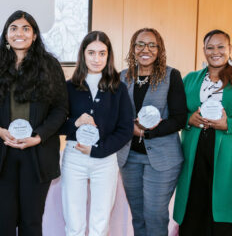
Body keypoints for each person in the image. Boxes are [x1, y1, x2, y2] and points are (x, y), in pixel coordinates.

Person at [0, 10, 68, 236]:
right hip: (2, 154)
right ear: (6, 35)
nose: (19, 33)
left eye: (25, 28)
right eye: (13, 28)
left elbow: (61, 109)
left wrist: (39, 136)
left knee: (31, 222)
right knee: (3, 221)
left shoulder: (50, 66)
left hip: (38, 154)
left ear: (35, 35)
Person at [60, 31, 133, 236]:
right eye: (91, 52)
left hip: (105, 159)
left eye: (102, 53)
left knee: (100, 224)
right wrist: (76, 122)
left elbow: (125, 129)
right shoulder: (68, 87)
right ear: (83, 54)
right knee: (74, 223)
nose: (96, 58)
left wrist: (99, 150)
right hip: (74, 158)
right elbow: (56, 125)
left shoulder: (118, 88)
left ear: (108, 56)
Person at [117, 28, 187, 236]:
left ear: (159, 49)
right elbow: (116, 115)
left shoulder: (171, 76)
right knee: (138, 216)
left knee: (155, 215)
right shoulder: (123, 77)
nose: (145, 49)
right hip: (129, 158)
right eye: (140, 44)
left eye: (151, 45)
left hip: (163, 159)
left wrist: (145, 133)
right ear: (133, 48)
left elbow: (179, 118)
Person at [173, 29, 232, 235]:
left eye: (221, 46)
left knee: (221, 213)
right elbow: (175, 112)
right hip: (194, 153)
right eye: (210, 47)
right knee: (193, 210)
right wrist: (188, 119)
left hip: (226, 157)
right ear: (204, 51)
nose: (215, 51)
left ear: (230, 49)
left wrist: (228, 125)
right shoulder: (190, 79)